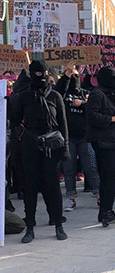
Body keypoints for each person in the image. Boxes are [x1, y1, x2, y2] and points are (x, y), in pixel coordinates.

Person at [11, 60, 69, 243]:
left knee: (53, 188)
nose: (42, 78)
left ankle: (58, 224)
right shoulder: (24, 97)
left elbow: (63, 123)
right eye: (38, 74)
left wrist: (65, 147)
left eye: (44, 74)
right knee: (30, 187)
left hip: (52, 146)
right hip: (31, 145)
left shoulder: (55, 97)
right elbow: (15, 120)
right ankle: (30, 227)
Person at [57, 61, 100, 211]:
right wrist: (67, 74)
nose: (74, 78)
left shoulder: (86, 94)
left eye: (76, 76)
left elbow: (94, 108)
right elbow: (59, 91)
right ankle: (71, 198)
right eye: (71, 76)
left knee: (91, 167)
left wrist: (82, 104)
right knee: (69, 169)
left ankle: (98, 195)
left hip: (85, 137)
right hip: (68, 138)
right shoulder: (62, 95)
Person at [86, 66, 115, 227]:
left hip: (111, 139)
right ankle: (107, 211)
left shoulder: (110, 94)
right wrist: (113, 118)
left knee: (107, 177)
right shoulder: (97, 94)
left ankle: (104, 211)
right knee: (113, 174)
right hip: (103, 140)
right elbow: (92, 116)